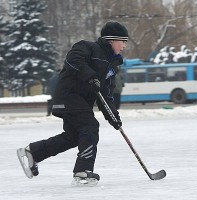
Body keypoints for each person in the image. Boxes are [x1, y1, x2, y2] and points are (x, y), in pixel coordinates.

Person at [17, 21, 128, 186]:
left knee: (73, 137)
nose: (124, 46)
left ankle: (32, 152)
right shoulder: (87, 47)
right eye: (123, 41)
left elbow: (105, 96)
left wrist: (114, 118)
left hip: (79, 102)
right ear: (111, 40)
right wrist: (91, 77)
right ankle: (82, 172)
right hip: (68, 96)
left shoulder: (111, 67)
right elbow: (72, 60)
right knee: (90, 127)